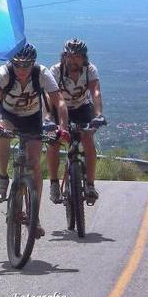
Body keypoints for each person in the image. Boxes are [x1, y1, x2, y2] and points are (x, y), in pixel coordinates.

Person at [0, 43, 68, 237]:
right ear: (12, 63)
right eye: (18, 65)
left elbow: (59, 102)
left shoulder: (42, 73)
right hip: (10, 115)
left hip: (32, 118)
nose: (22, 70)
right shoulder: (4, 72)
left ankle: (34, 216)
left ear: (33, 63)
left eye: (27, 65)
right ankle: (3, 177)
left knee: (34, 162)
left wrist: (63, 128)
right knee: (2, 135)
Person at [46, 38, 106, 204]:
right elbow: (49, 96)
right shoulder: (56, 70)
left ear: (84, 58)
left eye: (78, 56)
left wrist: (99, 115)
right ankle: (54, 184)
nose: (73, 60)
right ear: (64, 56)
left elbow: (95, 93)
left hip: (81, 108)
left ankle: (90, 184)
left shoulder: (90, 70)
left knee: (87, 139)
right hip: (59, 108)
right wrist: (49, 118)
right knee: (54, 141)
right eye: (70, 56)